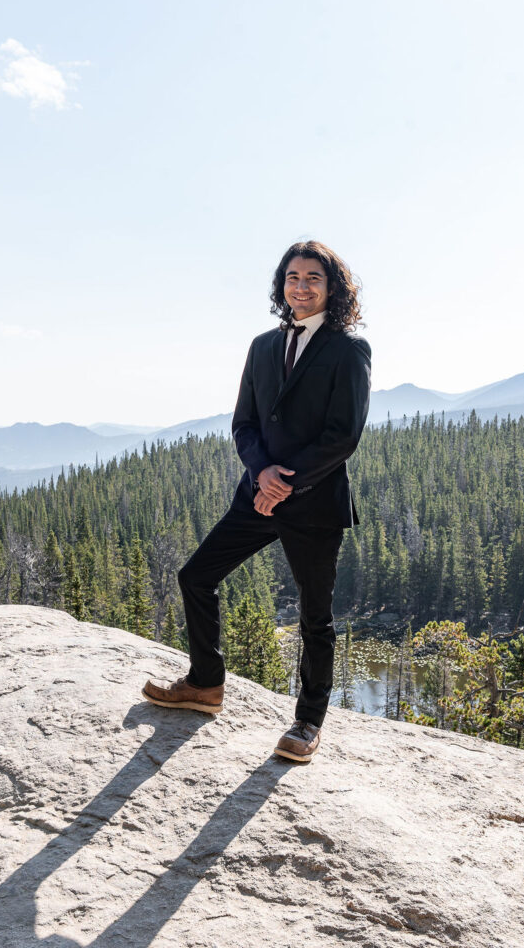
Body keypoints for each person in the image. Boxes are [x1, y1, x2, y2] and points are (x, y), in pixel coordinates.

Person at [142, 240, 371, 762]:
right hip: (257, 493)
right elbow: (243, 423)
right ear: (281, 285)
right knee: (195, 576)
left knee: (316, 616)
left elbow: (343, 436)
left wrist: (286, 483)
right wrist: (261, 473)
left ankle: (308, 723)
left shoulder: (348, 349)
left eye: (314, 277)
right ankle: (205, 684)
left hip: (312, 501)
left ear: (332, 288)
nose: (302, 286)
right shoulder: (262, 345)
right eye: (292, 277)